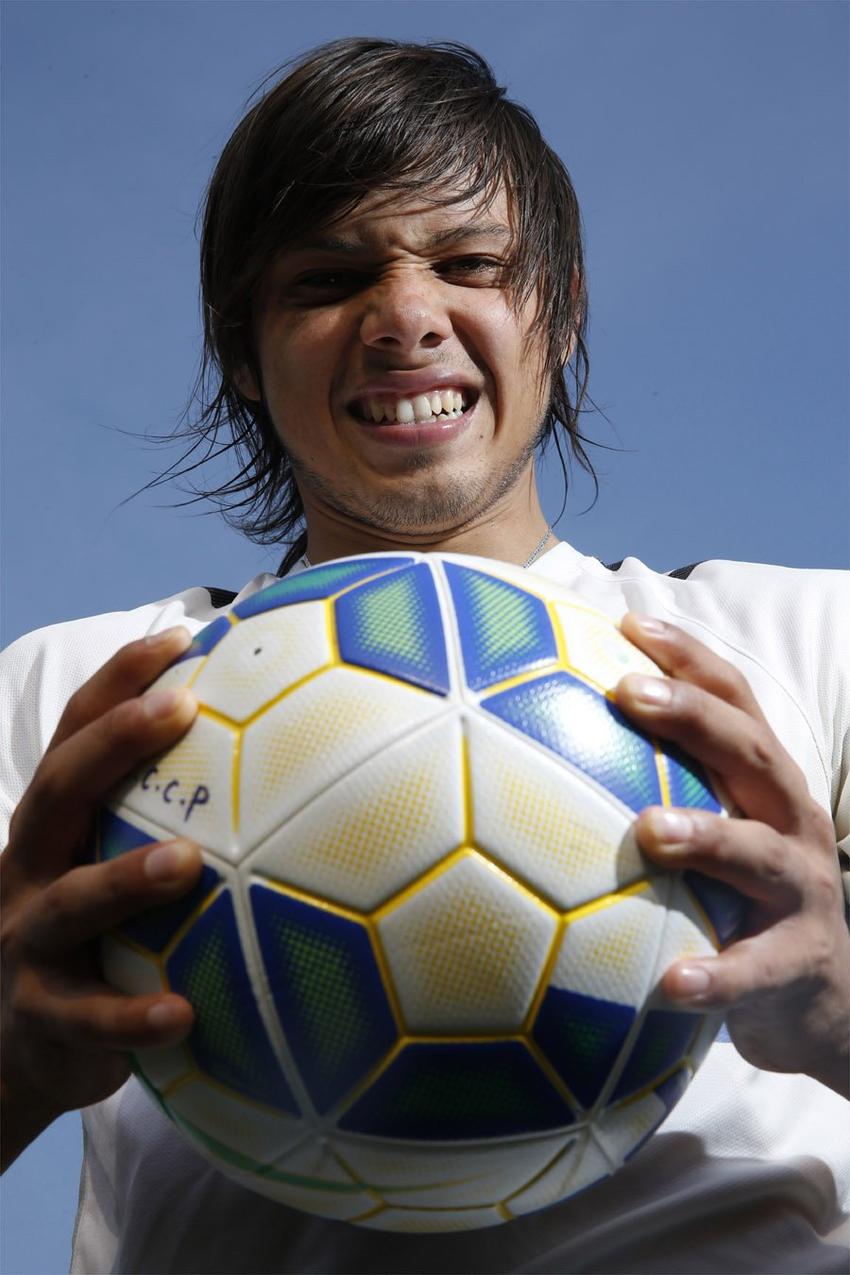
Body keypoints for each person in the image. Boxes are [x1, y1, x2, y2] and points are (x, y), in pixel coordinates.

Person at [1, 36, 848, 1275]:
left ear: (554, 312)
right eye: (328, 278)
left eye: (470, 264)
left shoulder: (811, 645)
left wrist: (836, 1011)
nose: (404, 318)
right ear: (242, 350)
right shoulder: (77, 695)